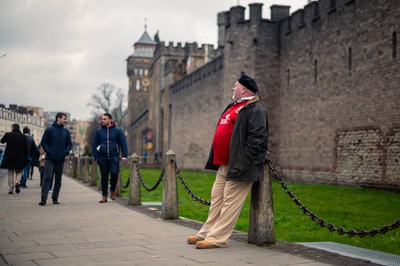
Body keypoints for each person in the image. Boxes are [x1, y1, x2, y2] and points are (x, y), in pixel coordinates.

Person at [187, 72, 268, 249]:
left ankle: (217, 238)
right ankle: (205, 233)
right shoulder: (233, 106)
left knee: (230, 204)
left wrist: (242, 162)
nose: (233, 88)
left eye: (235, 85)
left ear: (243, 89)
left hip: (240, 166)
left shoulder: (255, 110)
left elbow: (257, 140)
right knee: (216, 201)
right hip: (224, 165)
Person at [92, 113, 128, 203]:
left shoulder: (117, 130)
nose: (102, 120)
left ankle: (112, 190)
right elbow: (94, 144)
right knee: (104, 176)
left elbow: (123, 143)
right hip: (102, 157)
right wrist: (96, 156)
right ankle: (104, 196)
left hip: (114, 157)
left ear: (110, 120)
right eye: (102, 119)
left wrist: (124, 156)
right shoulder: (99, 131)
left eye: (104, 119)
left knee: (114, 173)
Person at [39, 112, 72, 206]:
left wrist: (66, 152)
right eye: (64, 118)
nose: (66, 120)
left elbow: (69, 144)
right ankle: (43, 199)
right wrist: (48, 152)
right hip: (50, 158)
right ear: (58, 119)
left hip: (60, 159)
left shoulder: (66, 131)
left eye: (66, 118)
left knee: (58, 180)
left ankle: (55, 198)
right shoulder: (49, 130)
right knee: (47, 178)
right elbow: (43, 142)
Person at [0, 123, 29, 194]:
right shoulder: (23, 136)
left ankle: (10, 188)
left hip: (9, 157)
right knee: (19, 171)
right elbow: (26, 148)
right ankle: (17, 182)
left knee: (10, 172)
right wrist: (26, 156)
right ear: (19, 128)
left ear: (12, 128)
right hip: (20, 157)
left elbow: (2, 141)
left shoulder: (8, 134)